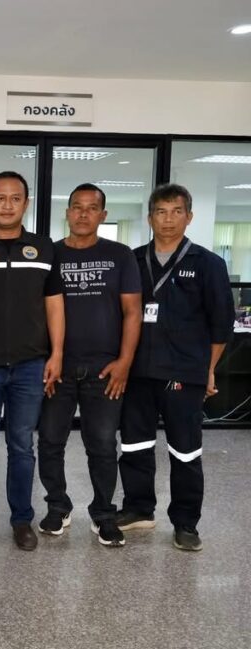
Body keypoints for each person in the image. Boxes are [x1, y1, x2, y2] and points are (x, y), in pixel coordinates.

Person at [118, 183, 234, 551]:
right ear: (150, 217)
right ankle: (138, 508)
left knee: (185, 451)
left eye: (176, 211)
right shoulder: (133, 261)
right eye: (161, 212)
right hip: (138, 372)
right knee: (134, 445)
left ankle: (186, 523)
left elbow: (221, 325)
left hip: (184, 372)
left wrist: (208, 369)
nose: (168, 219)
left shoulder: (208, 264)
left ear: (189, 216)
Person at [0, 171, 65, 551]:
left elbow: (54, 305)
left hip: (30, 365)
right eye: (0, 198)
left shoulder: (44, 248)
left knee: (23, 446)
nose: (7, 205)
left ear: (26, 203)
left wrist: (57, 353)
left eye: (15, 198)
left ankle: (22, 519)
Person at [36, 183, 141, 547]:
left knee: (102, 445)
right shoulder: (50, 254)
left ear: (103, 215)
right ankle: (57, 506)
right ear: (67, 212)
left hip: (105, 370)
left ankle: (103, 514)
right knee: (50, 441)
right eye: (77, 207)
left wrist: (124, 362)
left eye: (92, 208)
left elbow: (132, 312)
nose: (83, 214)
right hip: (58, 368)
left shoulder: (120, 255)